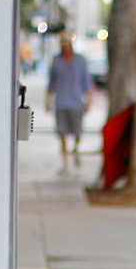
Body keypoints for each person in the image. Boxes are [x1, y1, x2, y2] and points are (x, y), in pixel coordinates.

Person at [46, 31, 93, 170]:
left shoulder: (81, 61)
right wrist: (47, 100)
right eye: (63, 44)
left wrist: (88, 101)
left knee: (77, 131)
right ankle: (65, 162)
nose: (65, 46)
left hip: (76, 102)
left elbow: (86, 83)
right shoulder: (56, 61)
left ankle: (76, 150)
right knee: (62, 132)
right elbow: (51, 82)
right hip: (61, 102)